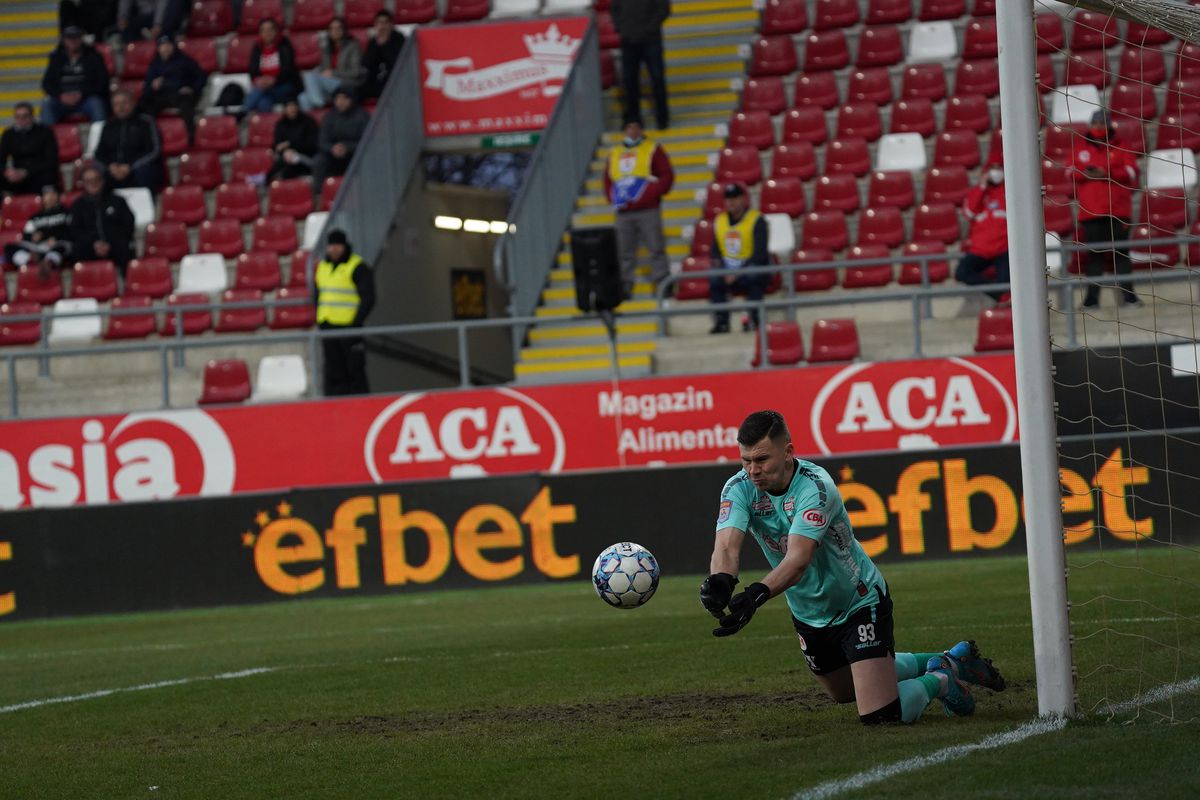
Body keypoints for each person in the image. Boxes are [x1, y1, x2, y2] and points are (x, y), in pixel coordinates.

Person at [703, 410, 1007, 725]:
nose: (753, 470)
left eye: (762, 459)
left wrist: (757, 594)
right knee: (843, 692)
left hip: (858, 600)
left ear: (788, 452)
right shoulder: (737, 488)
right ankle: (950, 660)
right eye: (745, 461)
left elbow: (798, 560)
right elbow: (726, 545)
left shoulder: (815, 488)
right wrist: (721, 581)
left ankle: (941, 680)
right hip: (809, 611)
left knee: (880, 714)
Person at [1073, 109, 1140, 309]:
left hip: (1118, 210)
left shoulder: (1122, 146)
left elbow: (1132, 171)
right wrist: (1089, 173)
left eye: (1103, 123)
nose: (1099, 127)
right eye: (1096, 123)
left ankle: (1129, 298)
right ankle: (1092, 300)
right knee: (1095, 257)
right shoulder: (1080, 146)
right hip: (1091, 212)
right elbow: (1070, 172)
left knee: (1121, 255)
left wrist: (1106, 172)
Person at [603, 116, 673, 301]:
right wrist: (612, 198)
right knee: (624, 251)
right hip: (624, 211)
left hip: (648, 209)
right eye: (629, 127)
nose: (633, 131)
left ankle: (662, 282)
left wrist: (651, 193)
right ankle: (626, 284)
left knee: (656, 247)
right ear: (624, 130)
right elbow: (607, 180)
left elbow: (666, 175)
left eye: (636, 127)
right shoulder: (614, 152)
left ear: (641, 129)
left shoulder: (652, 148)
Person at [314, 229, 375, 396]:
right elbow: (318, 294)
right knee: (333, 370)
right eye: (331, 245)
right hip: (328, 326)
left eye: (337, 245)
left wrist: (356, 322)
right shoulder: (322, 267)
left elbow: (369, 297)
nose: (334, 249)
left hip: (349, 328)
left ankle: (362, 408)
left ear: (344, 246)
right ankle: (335, 407)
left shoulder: (357, 266)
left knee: (355, 370)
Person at [708, 183, 769, 333]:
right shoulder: (720, 221)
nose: (731, 202)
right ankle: (721, 322)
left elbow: (759, 254)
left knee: (755, 275)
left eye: (735, 198)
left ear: (743, 199)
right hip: (728, 268)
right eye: (728, 199)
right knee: (715, 278)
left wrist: (737, 273)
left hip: (750, 266)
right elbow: (715, 252)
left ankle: (755, 320)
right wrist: (722, 270)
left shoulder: (756, 220)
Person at [955, 155, 1009, 302]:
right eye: (993, 169)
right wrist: (982, 187)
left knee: (1008, 284)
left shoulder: (1009, 191)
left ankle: (1003, 301)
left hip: (1003, 249)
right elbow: (969, 213)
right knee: (962, 272)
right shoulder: (976, 193)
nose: (996, 172)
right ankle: (998, 294)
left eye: (999, 169)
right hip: (981, 250)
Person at [611, 0, 670, 130]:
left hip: (651, 40)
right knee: (630, 81)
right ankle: (633, 119)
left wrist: (650, 29)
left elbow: (664, 9)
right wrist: (622, 28)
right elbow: (614, 8)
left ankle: (662, 119)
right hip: (629, 41)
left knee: (657, 78)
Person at [69, 165, 136, 275]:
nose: (93, 183)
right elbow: (75, 230)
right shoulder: (78, 205)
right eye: (89, 181)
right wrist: (94, 244)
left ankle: (128, 285)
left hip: (114, 244)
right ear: (83, 184)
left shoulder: (117, 200)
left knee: (124, 246)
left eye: (96, 179)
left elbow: (128, 224)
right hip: (90, 246)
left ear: (102, 181)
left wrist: (109, 242)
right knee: (78, 249)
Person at [94, 89, 163, 194]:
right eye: (116, 104)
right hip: (113, 171)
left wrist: (130, 166)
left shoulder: (146, 122)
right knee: (94, 172)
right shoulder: (108, 126)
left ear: (133, 103)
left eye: (124, 103)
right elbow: (99, 153)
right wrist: (110, 166)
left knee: (146, 170)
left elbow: (154, 150)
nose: (121, 108)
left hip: (137, 169)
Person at [141, 35, 206, 140]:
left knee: (185, 103)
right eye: (162, 45)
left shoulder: (185, 60)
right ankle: (149, 136)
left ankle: (191, 136)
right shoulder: (155, 64)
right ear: (158, 48)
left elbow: (201, 77)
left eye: (168, 45)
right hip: (162, 95)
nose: (165, 48)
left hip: (180, 94)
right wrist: (153, 86)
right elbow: (147, 87)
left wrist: (192, 88)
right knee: (144, 103)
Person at [41, 26, 110, 125]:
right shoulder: (56, 58)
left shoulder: (94, 56)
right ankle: (48, 139)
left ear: (81, 38)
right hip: (62, 99)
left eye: (76, 37)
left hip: (86, 98)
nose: (72, 41)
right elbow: (46, 83)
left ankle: (100, 137)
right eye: (69, 38)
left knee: (96, 104)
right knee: (47, 105)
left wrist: (82, 94)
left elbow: (102, 82)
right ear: (64, 40)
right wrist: (60, 95)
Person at [4, 185, 73, 279]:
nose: (50, 197)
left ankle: (49, 264)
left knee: (62, 248)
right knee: (9, 247)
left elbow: (71, 230)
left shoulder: (66, 213)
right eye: (47, 194)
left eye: (53, 193)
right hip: (38, 248)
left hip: (57, 244)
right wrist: (33, 237)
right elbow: (26, 235)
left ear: (58, 196)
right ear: (42, 198)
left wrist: (56, 238)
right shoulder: (35, 217)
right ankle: (29, 261)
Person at [299, 17, 364, 112]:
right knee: (302, 97)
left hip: (345, 84)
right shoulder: (327, 48)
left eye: (338, 28)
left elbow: (355, 72)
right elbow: (323, 68)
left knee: (310, 77)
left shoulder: (353, 46)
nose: (335, 31)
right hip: (330, 86)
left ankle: (319, 107)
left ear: (344, 30)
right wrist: (316, 72)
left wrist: (333, 73)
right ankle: (316, 121)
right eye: (332, 29)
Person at [0, 103, 60, 196]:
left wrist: (26, 172)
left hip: (39, 173)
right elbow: (1, 159)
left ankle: (50, 207)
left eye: (25, 116)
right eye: (18, 116)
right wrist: (7, 172)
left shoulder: (45, 131)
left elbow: (51, 160)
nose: (21, 119)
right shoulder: (8, 134)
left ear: (32, 116)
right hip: (17, 175)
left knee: (49, 175)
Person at [314, 88, 368, 186]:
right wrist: (332, 148)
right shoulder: (329, 116)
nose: (340, 102)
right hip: (333, 154)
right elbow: (322, 141)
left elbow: (367, 140)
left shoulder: (362, 116)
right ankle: (318, 195)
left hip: (354, 153)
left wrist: (346, 148)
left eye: (344, 98)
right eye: (338, 99)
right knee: (319, 161)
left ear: (351, 99)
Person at [246, 18, 300, 113]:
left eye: (270, 30)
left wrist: (274, 80)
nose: (267, 33)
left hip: (284, 86)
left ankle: (243, 111)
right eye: (264, 30)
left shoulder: (284, 45)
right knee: (263, 103)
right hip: (265, 88)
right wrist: (259, 80)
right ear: (260, 33)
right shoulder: (257, 47)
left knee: (259, 92)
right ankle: (267, 126)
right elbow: (252, 70)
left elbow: (288, 70)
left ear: (276, 31)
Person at [360, 10, 405, 103]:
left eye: (385, 23)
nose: (382, 26)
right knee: (356, 92)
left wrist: (385, 46)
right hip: (375, 81)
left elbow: (398, 63)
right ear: (375, 25)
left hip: (395, 80)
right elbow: (366, 64)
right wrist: (377, 46)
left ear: (391, 25)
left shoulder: (399, 39)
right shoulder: (373, 41)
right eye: (379, 23)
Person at [268, 99, 319, 181]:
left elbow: (312, 146)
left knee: (287, 165)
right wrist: (284, 151)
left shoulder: (309, 122)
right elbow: (278, 145)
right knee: (287, 165)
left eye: (294, 106)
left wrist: (291, 147)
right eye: (289, 106)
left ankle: (267, 180)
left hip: (307, 158)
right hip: (287, 158)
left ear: (298, 107)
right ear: (284, 109)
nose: (292, 109)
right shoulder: (280, 124)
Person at [117, 0, 186, 43]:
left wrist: (157, 23)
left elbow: (162, 4)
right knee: (126, 27)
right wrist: (122, 17)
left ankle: (170, 36)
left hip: (161, 15)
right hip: (143, 14)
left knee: (175, 4)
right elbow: (125, 2)